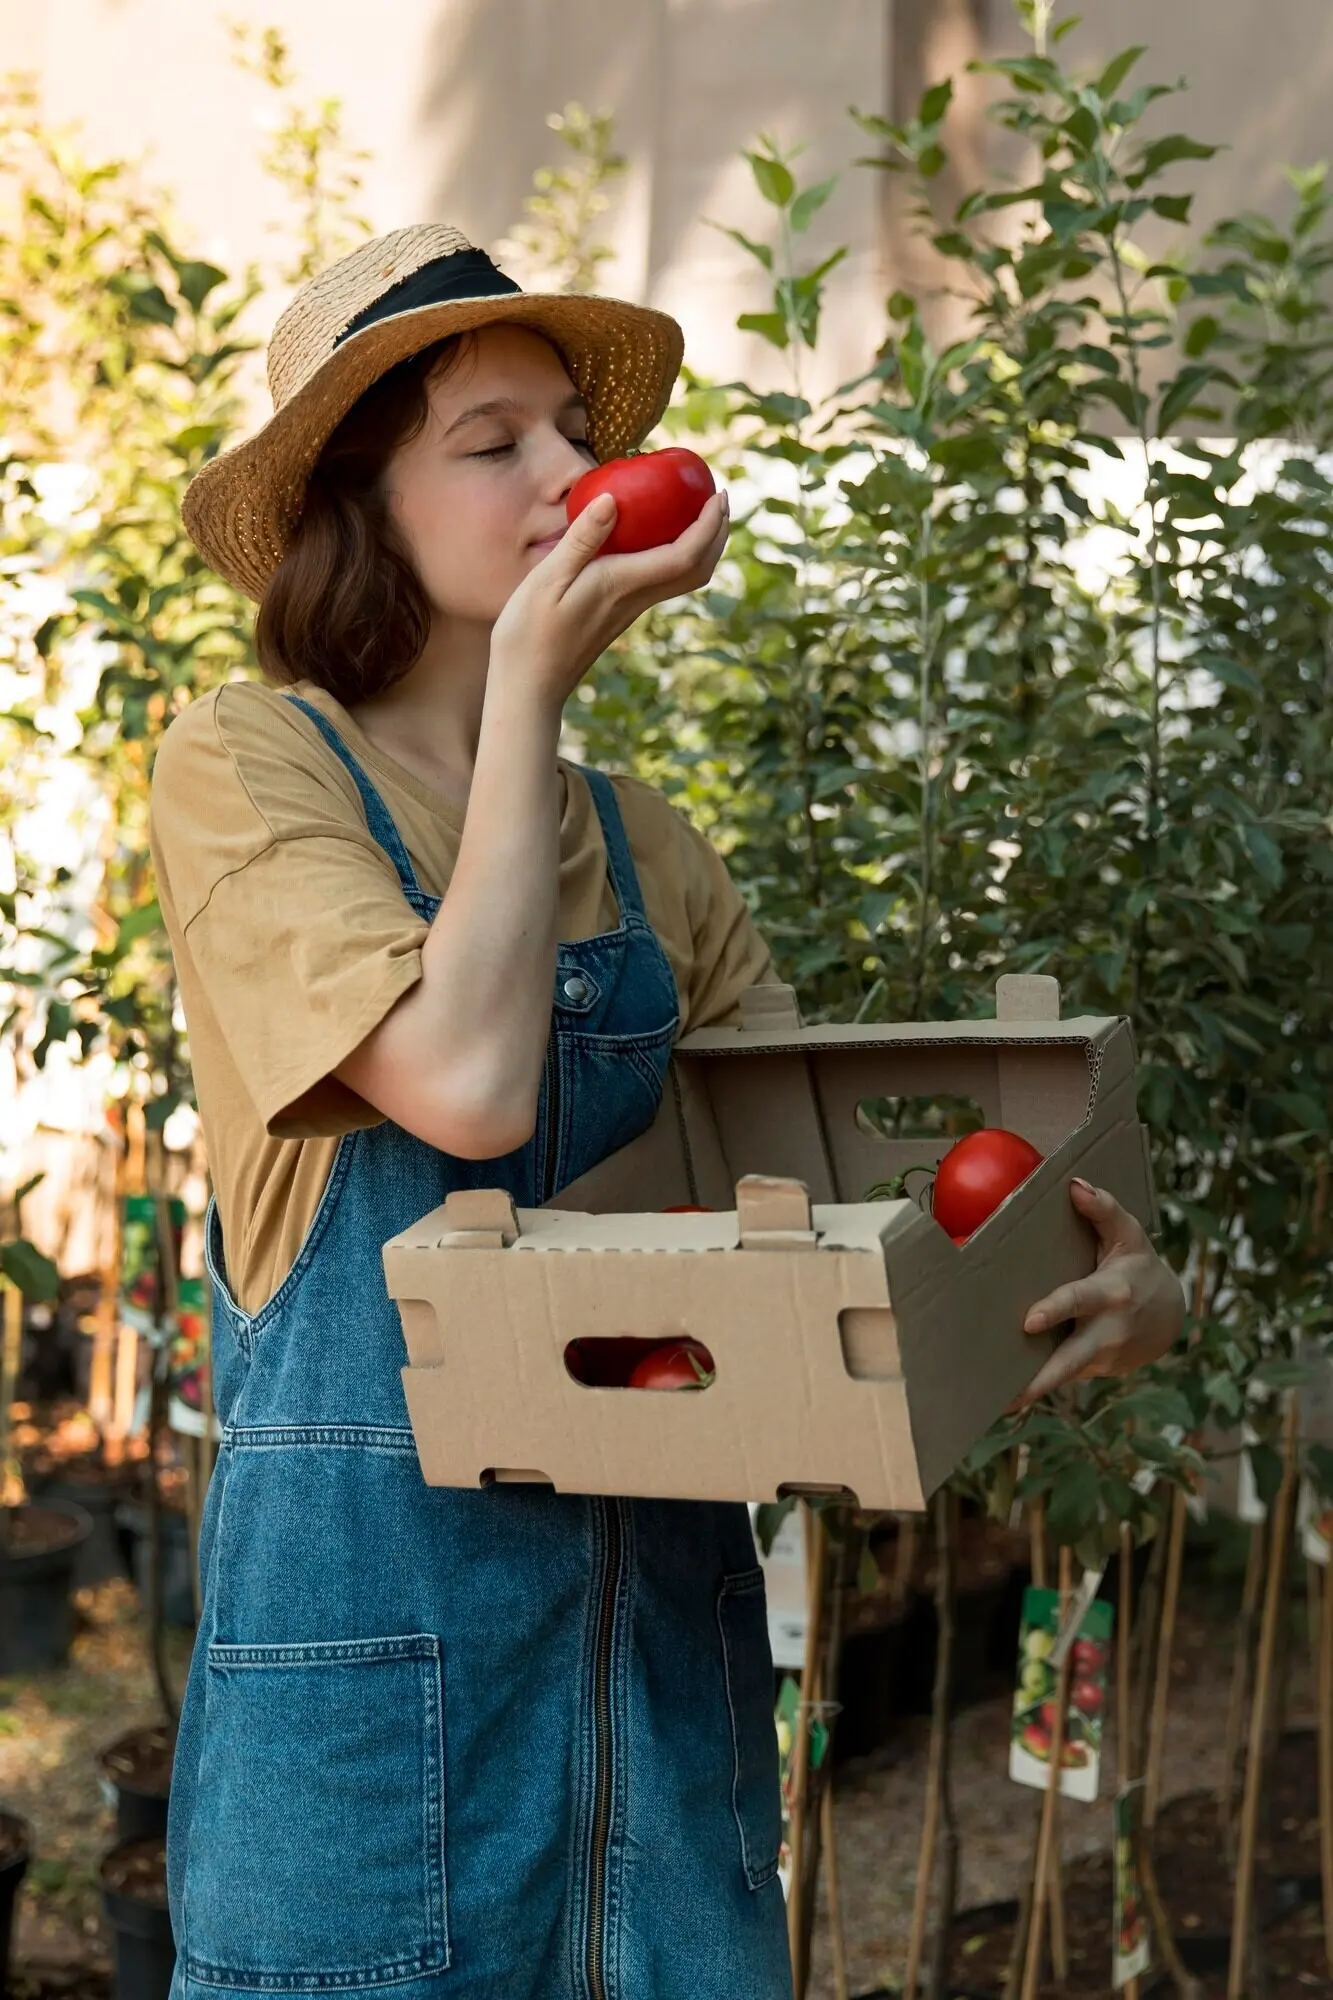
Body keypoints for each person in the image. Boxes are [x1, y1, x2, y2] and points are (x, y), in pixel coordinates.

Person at [151, 225, 1184, 2000]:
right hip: (369, 1731)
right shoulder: (249, 768)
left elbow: (822, 1256)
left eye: (573, 427)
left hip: (665, 1712)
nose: (571, 474)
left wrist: (1082, 1292)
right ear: (358, 508)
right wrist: (531, 700)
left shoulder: (649, 856)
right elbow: (467, 1091)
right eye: (494, 443)